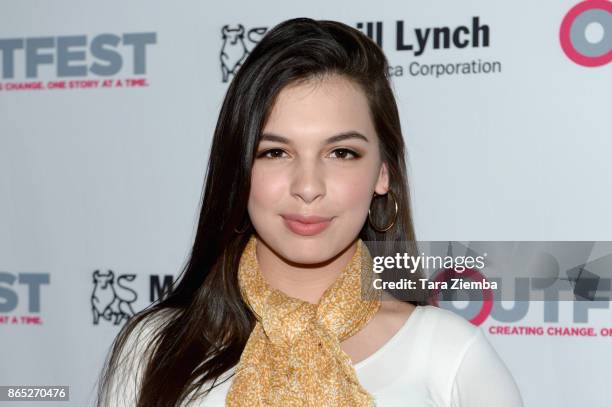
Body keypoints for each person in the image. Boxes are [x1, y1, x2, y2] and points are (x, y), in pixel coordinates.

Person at [95, 17, 523, 406]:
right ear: (239, 167)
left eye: (341, 152)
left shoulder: (448, 356)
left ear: (383, 174)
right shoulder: (155, 347)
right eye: (276, 151)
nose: (307, 187)